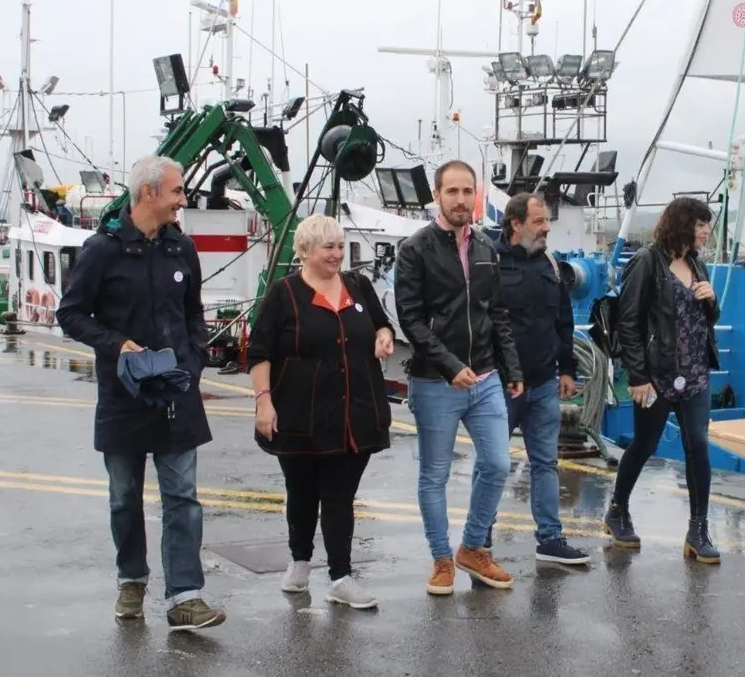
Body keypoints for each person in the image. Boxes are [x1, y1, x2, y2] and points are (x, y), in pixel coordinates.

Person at [56, 154, 227, 630]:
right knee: (124, 498)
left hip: (177, 393)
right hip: (122, 396)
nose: (183, 200)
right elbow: (70, 314)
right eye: (176, 191)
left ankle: (186, 597)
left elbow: (195, 314)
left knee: (182, 497)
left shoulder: (182, 249)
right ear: (149, 193)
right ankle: (132, 580)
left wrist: (193, 360)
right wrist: (118, 345)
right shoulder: (102, 249)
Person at [246, 214, 394, 610]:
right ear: (306, 251)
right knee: (301, 492)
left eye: (341, 246)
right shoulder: (284, 293)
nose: (337, 254)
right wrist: (264, 401)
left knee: (340, 496)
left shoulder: (358, 286)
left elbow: (382, 325)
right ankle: (299, 559)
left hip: (354, 414)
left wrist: (383, 337)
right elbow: (259, 353)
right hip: (299, 415)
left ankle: (340, 576)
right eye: (329, 247)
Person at [394, 159, 525, 596]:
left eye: (467, 191)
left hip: (486, 376)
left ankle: (472, 547)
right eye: (452, 191)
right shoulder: (415, 250)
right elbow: (410, 321)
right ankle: (441, 559)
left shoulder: (487, 248)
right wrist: (450, 366)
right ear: (437, 196)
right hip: (436, 382)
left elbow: (498, 315)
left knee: (497, 463)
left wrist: (512, 369)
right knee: (434, 475)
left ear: (476, 195)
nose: (461, 199)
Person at [603, 196, 722, 565]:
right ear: (683, 224)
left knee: (698, 446)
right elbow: (629, 321)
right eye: (701, 224)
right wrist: (638, 377)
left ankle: (698, 529)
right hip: (657, 374)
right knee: (645, 443)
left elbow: (707, 319)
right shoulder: (647, 262)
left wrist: (710, 300)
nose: (705, 232)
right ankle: (617, 510)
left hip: (695, 372)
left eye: (707, 225)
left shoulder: (696, 264)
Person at [486, 192, 590, 565]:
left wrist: (567, 369)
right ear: (516, 224)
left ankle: (550, 538)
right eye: (539, 221)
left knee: (546, 462)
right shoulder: (490, 262)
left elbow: (563, 320)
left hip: (545, 382)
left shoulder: (550, 264)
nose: (547, 228)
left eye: (547, 221)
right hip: (500, 385)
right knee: (493, 464)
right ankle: (479, 538)